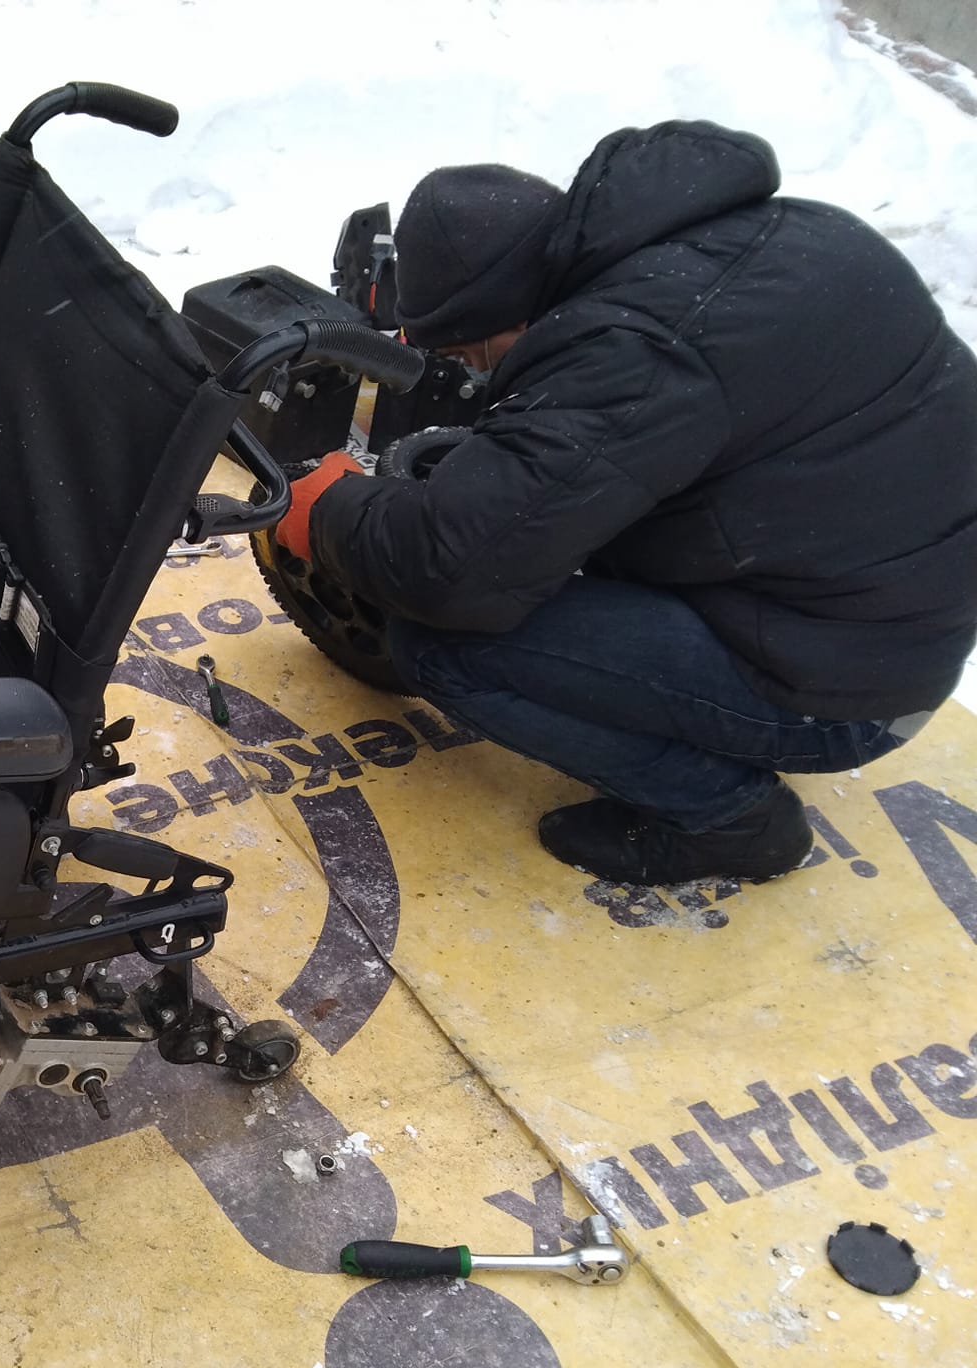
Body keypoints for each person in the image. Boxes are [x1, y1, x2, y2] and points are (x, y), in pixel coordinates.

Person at [273, 120, 977, 884]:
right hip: (889, 614)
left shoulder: (635, 357)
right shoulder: (767, 235)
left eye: (469, 354)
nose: (473, 373)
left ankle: (727, 819)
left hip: (844, 692)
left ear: (512, 316)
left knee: (442, 646)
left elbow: (456, 572)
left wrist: (328, 511)